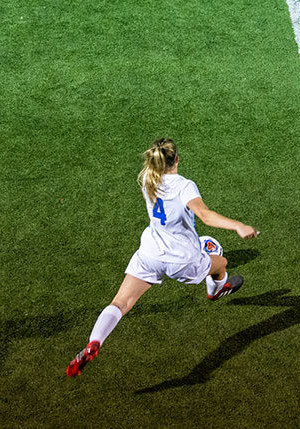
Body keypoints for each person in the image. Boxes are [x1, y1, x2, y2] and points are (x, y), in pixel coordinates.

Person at [66, 138, 258, 377]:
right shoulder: (184, 185)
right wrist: (238, 225)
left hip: (151, 253)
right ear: (177, 159)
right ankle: (216, 289)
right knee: (220, 262)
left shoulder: (148, 179)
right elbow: (206, 216)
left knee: (120, 303)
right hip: (183, 260)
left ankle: (94, 343)